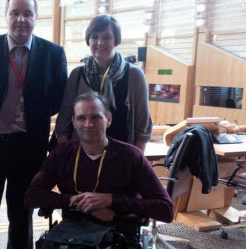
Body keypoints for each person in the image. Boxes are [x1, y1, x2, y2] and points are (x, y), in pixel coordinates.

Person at [0, 0, 67, 249]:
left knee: (22, 214)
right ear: (6, 16)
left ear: (36, 17)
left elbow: (58, 100)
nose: (21, 19)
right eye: (15, 13)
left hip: (27, 147)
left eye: (27, 13)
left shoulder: (53, 53)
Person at [25, 92, 173, 246]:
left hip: (119, 230)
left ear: (108, 120)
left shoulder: (130, 156)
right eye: (82, 118)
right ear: (74, 122)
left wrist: (110, 200)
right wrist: (80, 205)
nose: (88, 124)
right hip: (73, 233)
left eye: (96, 117)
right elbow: (31, 196)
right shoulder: (62, 153)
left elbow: (166, 210)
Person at [55, 14, 152, 152]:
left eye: (107, 37)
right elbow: (64, 120)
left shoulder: (134, 75)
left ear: (116, 40)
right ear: (88, 40)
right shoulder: (77, 75)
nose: (100, 42)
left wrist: (136, 162)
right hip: (81, 153)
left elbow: (143, 125)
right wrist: (64, 156)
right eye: (94, 36)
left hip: (121, 154)